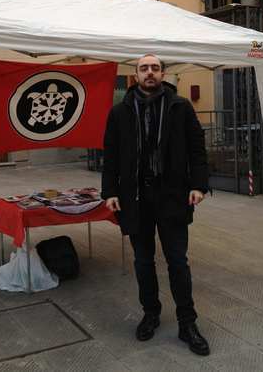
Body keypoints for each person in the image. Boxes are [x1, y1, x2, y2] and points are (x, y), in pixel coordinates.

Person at [101, 53, 210, 356]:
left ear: (163, 73)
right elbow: (110, 155)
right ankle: (150, 314)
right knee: (143, 262)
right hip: (136, 199)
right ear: (134, 75)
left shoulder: (180, 107)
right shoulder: (120, 112)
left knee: (178, 261)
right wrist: (109, 191)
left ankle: (187, 323)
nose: (149, 73)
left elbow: (197, 148)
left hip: (172, 196)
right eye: (143, 68)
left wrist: (199, 185)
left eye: (155, 68)